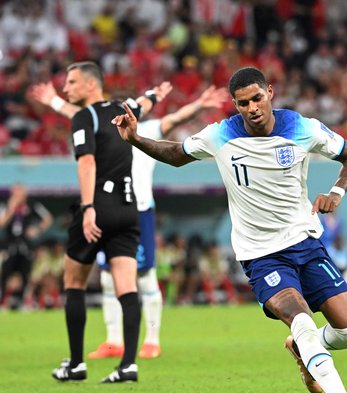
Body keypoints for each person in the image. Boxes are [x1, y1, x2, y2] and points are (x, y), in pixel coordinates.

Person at [112, 67, 347, 393]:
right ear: (235, 106)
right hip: (261, 253)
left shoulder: (302, 127)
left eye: (256, 98)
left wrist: (336, 193)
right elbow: (175, 153)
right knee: (302, 321)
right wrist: (135, 139)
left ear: (270, 92)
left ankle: (302, 350)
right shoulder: (221, 134)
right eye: (242, 103)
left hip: (306, 242)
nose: (251, 108)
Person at [31, 82, 228, 359]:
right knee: (110, 279)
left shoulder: (146, 131)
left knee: (145, 277)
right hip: (107, 209)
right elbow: (75, 112)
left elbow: (174, 118)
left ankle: (152, 340)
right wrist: (52, 100)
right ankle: (113, 342)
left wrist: (199, 104)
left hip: (140, 211)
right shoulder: (98, 129)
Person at [48, 61, 168, 383]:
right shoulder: (122, 109)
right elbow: (143, 105)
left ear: (90, 85)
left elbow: (87, 162)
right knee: (127, 287)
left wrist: (88, 208)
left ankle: (75, 364)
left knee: (74, 281)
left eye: (71, 82)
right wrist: (155, 94)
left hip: (98, 206)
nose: (66, 89)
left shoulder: (82, 117)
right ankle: (128, 364)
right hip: (128, 209)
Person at [0, 184, 53, 310]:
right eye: (16, 193)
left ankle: (24, 301)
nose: (18, 195)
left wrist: (37, 229)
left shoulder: (33, 205)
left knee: (26, 272)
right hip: (10, 244)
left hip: (26, 244)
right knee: (6, 272)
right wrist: (11, 208)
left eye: (21, 192)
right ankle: (3, 302)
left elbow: (48, 218)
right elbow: (2, 224)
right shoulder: (6, 205)